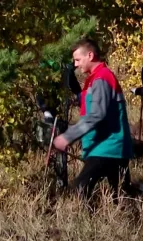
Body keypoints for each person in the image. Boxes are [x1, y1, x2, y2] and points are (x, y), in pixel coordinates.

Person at [53, 38, 133, 205]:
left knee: (81, 187)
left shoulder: (102, 78)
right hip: (106, 147)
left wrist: (67, 137)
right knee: (120, 196)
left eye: (77, 59)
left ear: (90, 55)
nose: (75, 65)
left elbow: (96, 115)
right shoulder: (95, 78)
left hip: (108, 147)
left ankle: (86, 228)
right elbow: (93, 105)